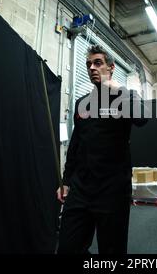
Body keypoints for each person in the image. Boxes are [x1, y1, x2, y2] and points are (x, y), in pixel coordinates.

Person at [56, 44, 147, 254]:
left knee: (112, 251)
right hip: (81, 190)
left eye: (98, 63)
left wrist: (117, 91)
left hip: (112, 192)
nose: (92, 68)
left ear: (111, 67)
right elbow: (75, 146)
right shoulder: (82, 103)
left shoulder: (126, 96)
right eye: (88, 64)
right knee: (68, 248)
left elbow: (142, 118)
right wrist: (66, 182)